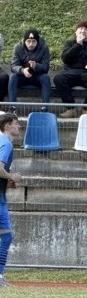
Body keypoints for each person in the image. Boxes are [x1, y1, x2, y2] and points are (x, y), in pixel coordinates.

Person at [54, 20, 87, 118]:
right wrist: (78, 44)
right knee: (58, 78)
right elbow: (65, 59)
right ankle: (71, 108)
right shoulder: (70, 43)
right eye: (80, 29)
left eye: (86, 29)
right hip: (70, 72)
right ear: (76, 32)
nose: (83, 31)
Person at [0, 113, 22, 287]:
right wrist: (12, 176)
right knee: (6, 237)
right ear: (7, 126)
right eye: (16, 124)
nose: (19, 127)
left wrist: (7, 181)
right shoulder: (6, 143)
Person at [8, 29, 51, 108]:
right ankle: (12, 107)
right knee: (12, 77)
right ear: (24, 41)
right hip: (22, 75)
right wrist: (22, 70)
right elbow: (13, 66)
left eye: (34, 41)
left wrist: (36, 66)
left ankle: (45, 108)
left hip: (37, 76)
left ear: (37, 41)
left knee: (46, 78)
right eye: (28, 41)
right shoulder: (18, 47)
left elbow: (46, 67)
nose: (31, 44)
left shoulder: (44, 47)